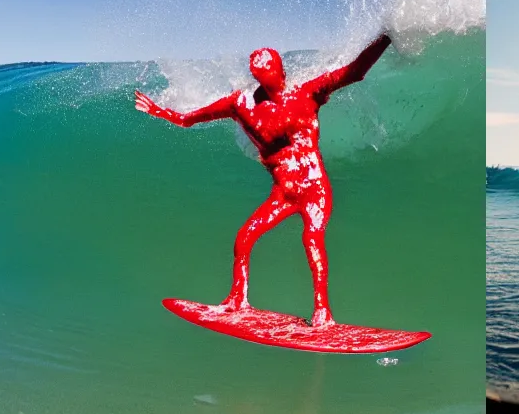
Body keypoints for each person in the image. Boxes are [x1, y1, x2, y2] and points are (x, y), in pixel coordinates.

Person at [134, 33, 392, 328]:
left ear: (281, 72)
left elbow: (355, 71)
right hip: (283, 193)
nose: (271, 82)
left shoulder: (306, 93)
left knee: (312, 240)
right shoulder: (241, 104)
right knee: (244, 238)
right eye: (263, 77)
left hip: (314, 190)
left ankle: (323, 312)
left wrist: (387, 35)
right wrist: (158, 111)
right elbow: (189, 119)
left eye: (272, 75)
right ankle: (236, 301)